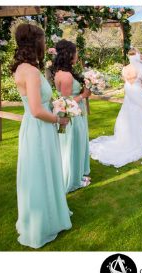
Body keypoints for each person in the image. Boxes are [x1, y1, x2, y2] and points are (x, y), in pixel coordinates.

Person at [11, 23, 72, 249]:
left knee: (37, 172)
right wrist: (59, 119)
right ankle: (43, 223)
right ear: (35, 42)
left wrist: (55, 107)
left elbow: (35, 107)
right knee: (42, 171)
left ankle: (40, 216)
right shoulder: (32, 71)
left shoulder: (21, 68)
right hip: (39, 128)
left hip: (31, 128)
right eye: (43, 40)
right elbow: (37, 110)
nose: (45, 44)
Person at [89, 48, 142, 167]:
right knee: (140, 114)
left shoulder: (125, 69)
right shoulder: (140, 68)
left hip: (129, 92)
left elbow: (125, 80)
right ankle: (138, 139)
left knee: (128, 113)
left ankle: (127, 137)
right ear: (136, 56)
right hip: (137, 91)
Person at [53, 39, 92, 192]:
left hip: (76, 113)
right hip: (71, 116)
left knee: (77, 143)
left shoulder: (63, 72)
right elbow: (65, 103)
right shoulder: (66, 76)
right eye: (75, 52)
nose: (77, 54)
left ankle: (77, 174)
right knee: (72, 145)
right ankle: (73, 180)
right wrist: (83, 95)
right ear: (69, 54)